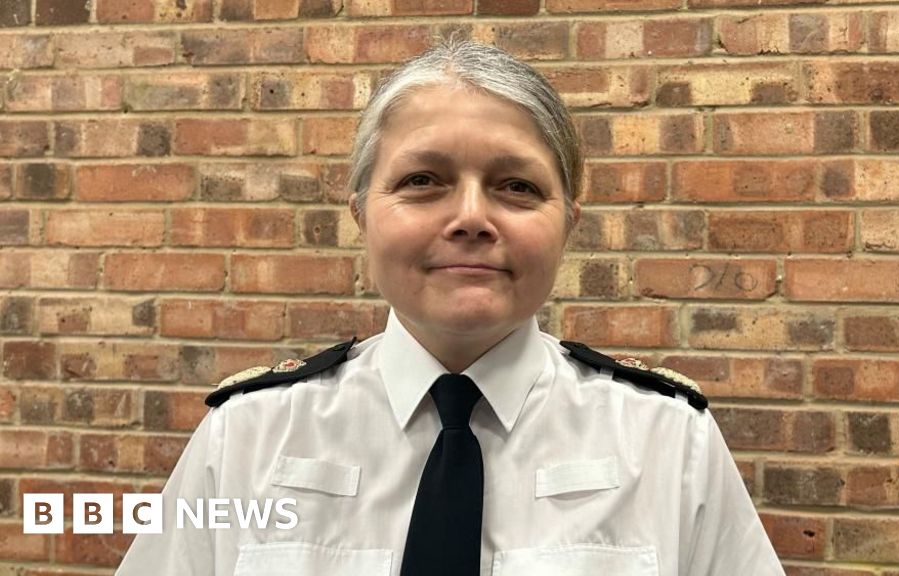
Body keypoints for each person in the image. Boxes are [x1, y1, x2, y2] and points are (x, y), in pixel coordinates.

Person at [116, 38, 785, 575]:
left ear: (568, 224)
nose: (470, 217)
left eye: (517, 186)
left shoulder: (667, 442)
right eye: (422, 180)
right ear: (361, 214)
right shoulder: (248, 437)